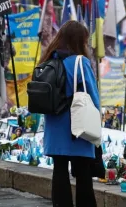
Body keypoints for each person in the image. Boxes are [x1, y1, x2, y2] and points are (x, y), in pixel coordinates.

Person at [40, 22, 101, 207]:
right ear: (79, 41)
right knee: (83, 172)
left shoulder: (49, 60)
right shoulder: (80, 62)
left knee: (59, 171)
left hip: (54, 126)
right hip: (77, 125)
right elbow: (92, 95)